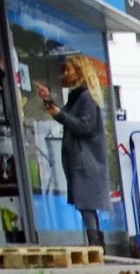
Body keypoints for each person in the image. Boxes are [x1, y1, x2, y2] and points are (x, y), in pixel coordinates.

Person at [33, 53, 108, 247]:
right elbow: (65, 116)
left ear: (80, 72)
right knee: (86, 203)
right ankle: (96, 241)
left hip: (86, 160)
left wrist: (58, 113)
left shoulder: (86, 98)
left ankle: (95, 243)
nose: (64, 74)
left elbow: (84, 126)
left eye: (68, 70)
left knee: (86, 203)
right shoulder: (77, 97)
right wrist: (49, 101)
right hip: (80, 159)